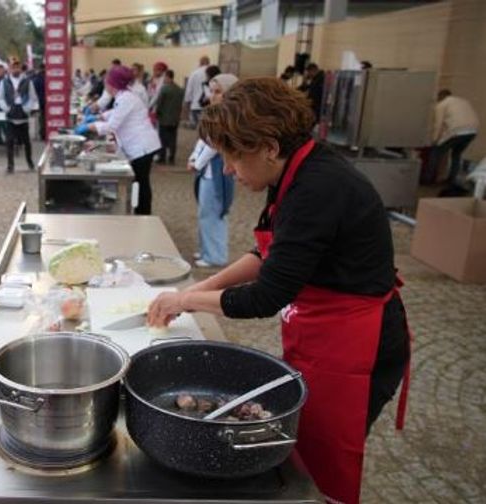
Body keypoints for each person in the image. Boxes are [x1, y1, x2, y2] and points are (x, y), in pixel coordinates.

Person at [148, 78, 410, 504]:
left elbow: (264, 296)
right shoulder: (295, 170)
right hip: (321, 330)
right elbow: (268, 252)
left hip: (359, 345)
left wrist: (185, 300)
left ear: (268, 146)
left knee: (322, 457)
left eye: (233, 157)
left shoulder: (318, 187)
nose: (229, 169)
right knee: (301, 444)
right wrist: (201, 286)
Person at [75, 66, 161, 215]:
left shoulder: (126, 98)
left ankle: (143, 216)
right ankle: (141, 213)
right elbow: (116, 112)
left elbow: (112, 126)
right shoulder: (124, 96)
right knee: (140, 183)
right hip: (140, 145)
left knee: (140, 184)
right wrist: (98, 117)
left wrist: (88, 126)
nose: (105, 83)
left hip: (142, 147)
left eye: (107, 80)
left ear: (112, 83)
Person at [188, 74, 238, 268]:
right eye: (212, 91)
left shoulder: (228, 117)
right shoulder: (216, 113)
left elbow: (214, 144)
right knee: (205, 212)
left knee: (213, 214)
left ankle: (215, 255)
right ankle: (206, 249)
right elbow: (203, 139)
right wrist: (194, 157)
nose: (212, 95)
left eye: (218, 92)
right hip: (207, 173)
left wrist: (197, 163)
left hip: (217, 173)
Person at [0, 58, 39, 173]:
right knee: (9, 142)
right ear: (10, 68)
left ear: (20, 68)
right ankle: (10, 166)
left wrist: (27, 108)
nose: (16, 69)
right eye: (13, 67)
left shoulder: (27, 81)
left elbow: (33, 97)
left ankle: (30, 163)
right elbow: (0, 97)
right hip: (11, 115)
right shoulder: (4, 82)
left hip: (23, 115)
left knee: (26, 142)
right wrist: (6, 108)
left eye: (17, 67)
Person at [431, 89, 479, 188]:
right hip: (473, 130)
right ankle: (451, 180)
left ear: (440, 97)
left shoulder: (442, 104)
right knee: (456, 154)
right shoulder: (463, 101)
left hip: (458, 130)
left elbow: (438, 125)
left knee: (435, 152)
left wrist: (434, 140)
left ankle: (429, 180)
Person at [155, 69, 185, 165]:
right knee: (173, 139)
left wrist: (157, 113)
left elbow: (159, 103)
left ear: (168, 77)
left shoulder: (164, 89)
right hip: (175, 118)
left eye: (165, 77)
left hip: (164, 118)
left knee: (162, 138)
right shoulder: (180, 90)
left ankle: (162, 157)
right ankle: (171, 157)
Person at [183, 55, 211, 127]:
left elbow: (189, 90)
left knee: (198, 129)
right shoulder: (213, 72)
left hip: (196, 105)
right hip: (209, 106)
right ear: (208, 62)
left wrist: (187, 103)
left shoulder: (194, 73)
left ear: (200, 63)